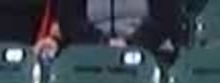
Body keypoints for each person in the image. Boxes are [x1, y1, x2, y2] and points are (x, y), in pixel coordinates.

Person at [55, 0, 184, 53]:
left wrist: (132, 44)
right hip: (91, 51)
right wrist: (101, 43)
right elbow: (69, 20)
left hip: (148, 51)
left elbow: (166, 18)